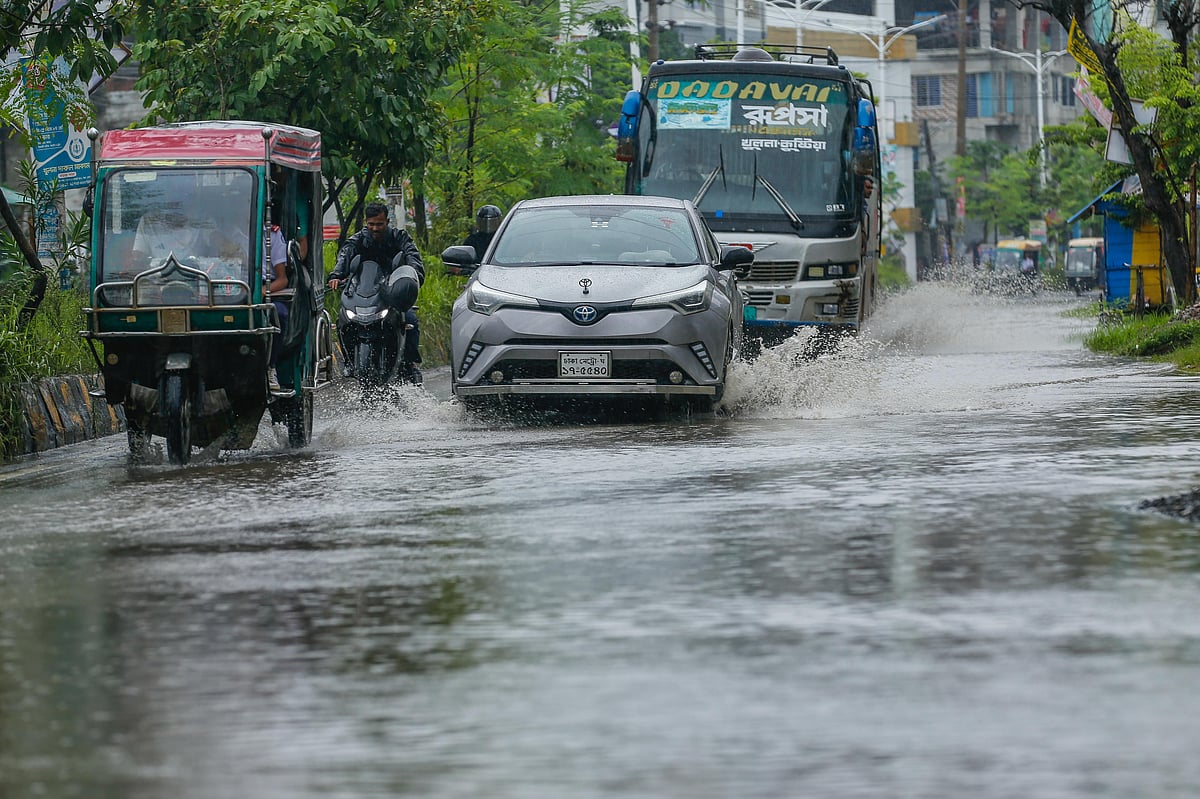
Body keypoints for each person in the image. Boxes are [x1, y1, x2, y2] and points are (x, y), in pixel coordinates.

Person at [328, 203, 425, 383]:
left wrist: (413, 276)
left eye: (379, 224)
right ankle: (349, 362)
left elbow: (413, 257)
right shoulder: (358, 240)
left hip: (391, 292)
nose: (375, 228)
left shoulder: (399, 237)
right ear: (366, 222)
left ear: (387, 221)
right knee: (344, 320)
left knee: (410, 319)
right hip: (363, 293)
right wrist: (336, 275)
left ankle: (410, 363)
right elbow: (345, 254)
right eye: (371, 224)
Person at [264, 224, 290, 392]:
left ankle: (270, 367)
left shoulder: (271, 234)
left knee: (278, 314)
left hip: (264, 288)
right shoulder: (217, 229)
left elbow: (282, 279)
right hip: (222, 288)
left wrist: (261, 292)